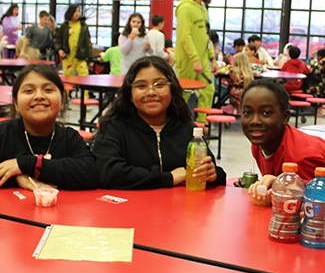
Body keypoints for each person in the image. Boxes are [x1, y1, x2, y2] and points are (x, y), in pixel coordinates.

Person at [0, 64, 97, 194]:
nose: (39, 96)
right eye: (29, 91)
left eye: (48, 89)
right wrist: (14, 179)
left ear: (63, 100)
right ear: (16, 104)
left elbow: (91, 174)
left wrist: (26, 164)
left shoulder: (69, 138)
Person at [93, 56, 226, 189]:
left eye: (160, 84)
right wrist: (169, 178)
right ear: (130, 94)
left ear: (172, 89)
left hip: (179, 208)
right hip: (128, 207)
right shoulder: (115, 128)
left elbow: (215, 174)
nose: (151, 92)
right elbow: (107, 173)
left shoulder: (188, 130)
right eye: (141, 86)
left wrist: (212, 174)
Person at [238, 78, 325, 191]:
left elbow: (315, 199)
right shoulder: (259, 144)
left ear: (285, 117)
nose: (255, 121)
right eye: (247, 113)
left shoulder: (299, 157)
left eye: (266, 113)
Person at [175, 0, 215, 116]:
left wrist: (212, 58)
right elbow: (184, 37)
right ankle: (177, 123)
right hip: (188, 60)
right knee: (183, 94)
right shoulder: (185, 8)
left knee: (209, 90)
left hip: (202, 59)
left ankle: (202, 124)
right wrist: (194, 59)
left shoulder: (202, 8)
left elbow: (206, 36)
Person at [54, 4, 93, 77]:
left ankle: (84, 89)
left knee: (84, 74)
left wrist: (90, 58)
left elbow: (88, 42)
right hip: (68, 55)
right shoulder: (64, 25)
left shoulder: (83, 25)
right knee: (68, 76)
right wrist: (59, 50)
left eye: (78, 11)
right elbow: (58, 39)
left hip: (80, 55)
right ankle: (67, 89)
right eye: (75, 11)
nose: (77, 13)